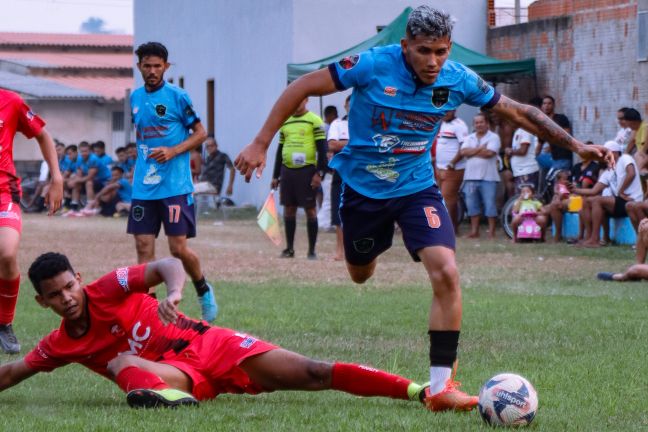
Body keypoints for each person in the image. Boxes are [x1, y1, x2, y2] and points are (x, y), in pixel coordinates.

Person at [234, 5, 610, 412]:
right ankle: (369, 253)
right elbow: (302, 86)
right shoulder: (372, 65)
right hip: (363, 191)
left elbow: (520, 112)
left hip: (417, 188)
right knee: (360, 273)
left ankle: (440, 386)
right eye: (425, 51)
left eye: (442, 51)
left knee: (446, 271)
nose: (434, 61)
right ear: (405, 46)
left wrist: (575, 146)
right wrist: (260, 142)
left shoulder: (458, 78)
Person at [0, 252, 431, 410]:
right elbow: (12, 373)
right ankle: (172, 401)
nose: (68, 297)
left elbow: (166, 263)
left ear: (79, 277)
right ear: (43, 303)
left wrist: (173, 291)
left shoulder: (108, 287)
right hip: (174, 377)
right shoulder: (58, 345)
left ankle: (420, 392)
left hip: (214, 345)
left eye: (70, 285)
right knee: (120, 362)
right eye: (56, 295)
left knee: (315, 373)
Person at [128, 41, 217, 322]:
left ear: (166, 66)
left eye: (157, 66)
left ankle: (203, 288)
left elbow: (201, 133)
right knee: (143, 247)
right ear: (139, 66)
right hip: (144, 186)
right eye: (147, 66)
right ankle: (149, 313)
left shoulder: (178, 96)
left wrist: (173, 151)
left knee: (177, 248)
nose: (152, 71)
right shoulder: (134, 98)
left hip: (175, 187)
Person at [0, 89, 63, 353]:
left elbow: (42, 135)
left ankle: (4, 325)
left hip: (4, 192)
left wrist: (56, 178)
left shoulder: (10, 101)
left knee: (6, 253)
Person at [271, 97, 327, 260]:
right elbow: (280, 150)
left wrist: (320, 173)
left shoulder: (314, 121)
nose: (296, 103)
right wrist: (275, 175)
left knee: (310, 209)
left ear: (306, 100)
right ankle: (289, 249)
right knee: (289, 209)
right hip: (288, 171)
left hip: (307, 171)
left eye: (299, 100)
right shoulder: (285, 121)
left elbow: (322, 150)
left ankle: (311, 251)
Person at [579, 141, 642, 248]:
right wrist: (574, 190)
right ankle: (590, 238)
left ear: (615, 152)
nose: (603, 156)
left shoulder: (625, 158)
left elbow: (631, 173)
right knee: (587, 200)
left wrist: (621, 191)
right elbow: (594, 191)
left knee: (597, 200)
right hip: (619, 201)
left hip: (631, 200)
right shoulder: (608, 171)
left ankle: (595, 239)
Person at [461, 113, 501, 239]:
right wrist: (480, 149)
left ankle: (492, 232)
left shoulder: (494, 137)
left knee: (490, 205)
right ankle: (474, 231)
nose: (479, 125)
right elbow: (463, 152)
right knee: (472, 205)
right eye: (476, 123)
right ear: (474, 125)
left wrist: (472, 152)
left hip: (488, 177)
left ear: (487, 123)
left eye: (481, 122)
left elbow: (490, 153)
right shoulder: (470, 137)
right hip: (470, 177)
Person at [434, 110, 468, 234]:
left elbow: (464, 147)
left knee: (448, 198)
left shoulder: (459, 125)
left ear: (454, 110)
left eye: (449, 111)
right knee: (439, 198)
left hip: (453, 168)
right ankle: (444, 227)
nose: (446, 113)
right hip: (440, 167)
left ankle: (452, 229)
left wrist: (452, 163)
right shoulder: (442, 124)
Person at [327, 95, 351, 260]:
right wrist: (355, 143)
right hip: (341, 172)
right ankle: (339, 250)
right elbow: (332, 145)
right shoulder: (337, 123)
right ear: (345, 105)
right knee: (338, 212)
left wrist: (343, 143)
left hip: (361, 173)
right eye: (350, 104)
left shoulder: (366, 122)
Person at [65, 141, 111, 214]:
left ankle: (90, 207)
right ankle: (74, 207)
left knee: (88, 183)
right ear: (79, 151)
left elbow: (90, 177)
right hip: (93, 180)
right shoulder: (79, 159)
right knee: (76, 183)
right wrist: (73, 180)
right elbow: (79, 174)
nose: (84, 153)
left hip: (105, 181)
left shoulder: (94, 159)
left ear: (90, 151)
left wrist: (75, 180)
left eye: (86, 151)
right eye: (82, 151)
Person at [541, 95, 573, 170]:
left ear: (553, 105)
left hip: (563, 157)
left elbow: (566, 135)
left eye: (549, 103)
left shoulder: (561, 118)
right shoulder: (543, 123)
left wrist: (552, 143)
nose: (547, 106)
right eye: (544, 103)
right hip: (552, 158)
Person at [506, 127, 540, 192]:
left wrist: (510, 151)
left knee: (526, 199)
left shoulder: (525, 131)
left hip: (526, 171)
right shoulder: (518, 131)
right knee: (521, 199)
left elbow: (523, 151)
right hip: (521, 171)